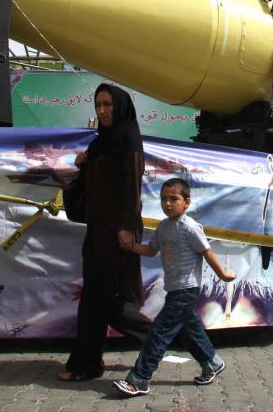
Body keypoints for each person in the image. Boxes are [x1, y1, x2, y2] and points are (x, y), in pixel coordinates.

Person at [58, 82, 152, 382]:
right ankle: (87, 362)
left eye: (108, 105)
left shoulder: (128, 140)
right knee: (98, 301)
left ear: (120, 106)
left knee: (109, 302)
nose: (102, 111)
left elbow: (131, 190)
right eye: (98, 105)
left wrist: (127, 229)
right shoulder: (101, 143)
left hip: (117, 236)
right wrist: (84, 163)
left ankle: (160, 340)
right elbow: (94, 187)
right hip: (97, 233)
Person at [112, 177, 235, 397]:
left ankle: (139, 379)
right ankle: (212, 362)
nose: (167, 203)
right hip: (174, 289)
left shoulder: (190, 227)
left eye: (173, 199)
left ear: (186, 202)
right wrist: (130, 247)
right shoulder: (163, 226)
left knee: (158, 333)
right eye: (163, 199)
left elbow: (206, 251)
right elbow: (151, 250)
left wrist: (223, 274)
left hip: (187, 289)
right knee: (189, 331)